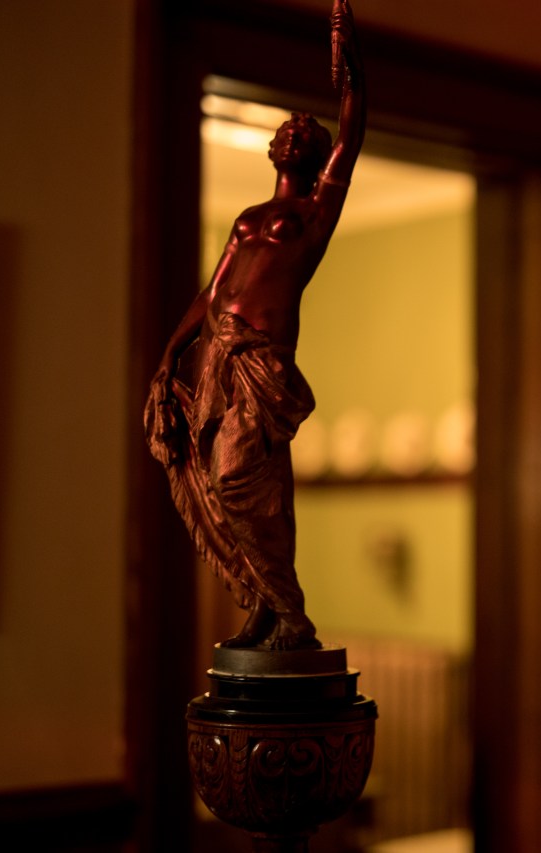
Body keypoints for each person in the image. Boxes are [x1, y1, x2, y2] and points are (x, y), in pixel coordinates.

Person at [144, 0, 365, 651]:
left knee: (246, 480)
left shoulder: (316, 211)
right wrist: (170, 354)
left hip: (262, 361)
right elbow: (211, 290)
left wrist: (349, 58)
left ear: (320, 154)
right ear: (274, 148)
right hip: (219, 354)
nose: (297, 132)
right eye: (289, 128)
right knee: (217, 478)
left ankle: (290, 612)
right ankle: (270, 608)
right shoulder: (246, 216)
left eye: (308, 130)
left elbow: (354, 124)